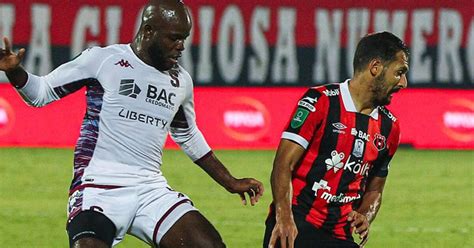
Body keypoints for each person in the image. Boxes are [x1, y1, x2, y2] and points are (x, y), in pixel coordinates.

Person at [0, 0, 264, 247]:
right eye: (174, 38)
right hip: (97, 186)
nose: (181, 46)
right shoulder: (103, 60)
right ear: (148, 31)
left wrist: (230, 181)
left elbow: (187, 135)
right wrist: (14, 71)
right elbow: (41, 93)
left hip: (150, 188)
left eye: (184, 39)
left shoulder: (180, 81)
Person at [263, 31, 409, 248]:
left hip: (340, 235)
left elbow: (375, 189)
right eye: (399, 73)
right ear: (375, 67)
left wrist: (364, 215)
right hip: (296, 226)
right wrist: (283, 218)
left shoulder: (390, 127)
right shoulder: (319, 102)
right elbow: (283, 164)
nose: (404, 83)